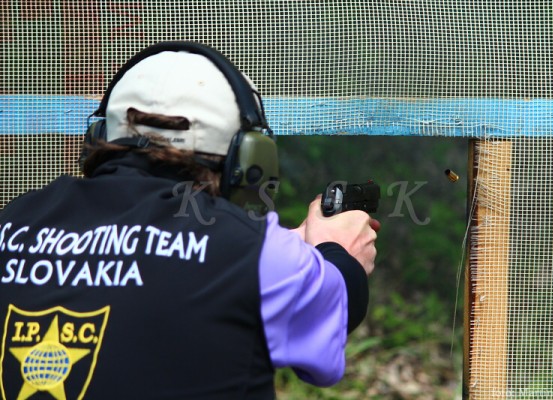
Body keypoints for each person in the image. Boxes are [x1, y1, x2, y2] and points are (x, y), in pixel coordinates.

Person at [0, 41, 378, 399]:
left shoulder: (11, 220)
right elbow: (333, 306)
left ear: (99, 137)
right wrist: (338, 251)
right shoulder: (253, 257)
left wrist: (282, 251)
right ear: (247, 158)